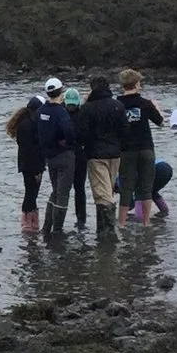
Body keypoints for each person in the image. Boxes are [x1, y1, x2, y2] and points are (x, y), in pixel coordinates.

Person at [74, 77, 126, 237]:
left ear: (92, 89)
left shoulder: (88, 108)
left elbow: (82, 134)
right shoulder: (118, 105)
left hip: (96, 154)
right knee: (108, 189)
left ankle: (108, 232)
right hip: (115, 154)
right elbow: (125, 129)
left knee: (101, 193)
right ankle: (103, 231)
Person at [113, 69, 165, 224]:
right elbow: (161, 122)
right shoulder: (145, 103)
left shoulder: (117, 105)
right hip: (145, 149)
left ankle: (121, 224)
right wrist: (156, 108)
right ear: (136, 83)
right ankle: (146, 223)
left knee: (126, 188)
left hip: (126, 151)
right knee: (146, 188)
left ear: (123, 85)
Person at [6, 80, 55, 230]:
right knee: (31, 193)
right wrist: (37, 169)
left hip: (27, 164)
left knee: (31, 193)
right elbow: (32, 149)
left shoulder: (25, 123)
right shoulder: (29, 126)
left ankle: (31, 222)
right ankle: (28, 223)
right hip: (32, 165)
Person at [34, 79, 80, 237]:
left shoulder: (41, 111)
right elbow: (69, 130)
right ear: (61, 92)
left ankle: (47, 227)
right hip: (64, 156)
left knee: (55, 191)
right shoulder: (61, 112)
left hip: (49, 156)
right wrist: (69, 143)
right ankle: (58, 230)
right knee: (63, 193)